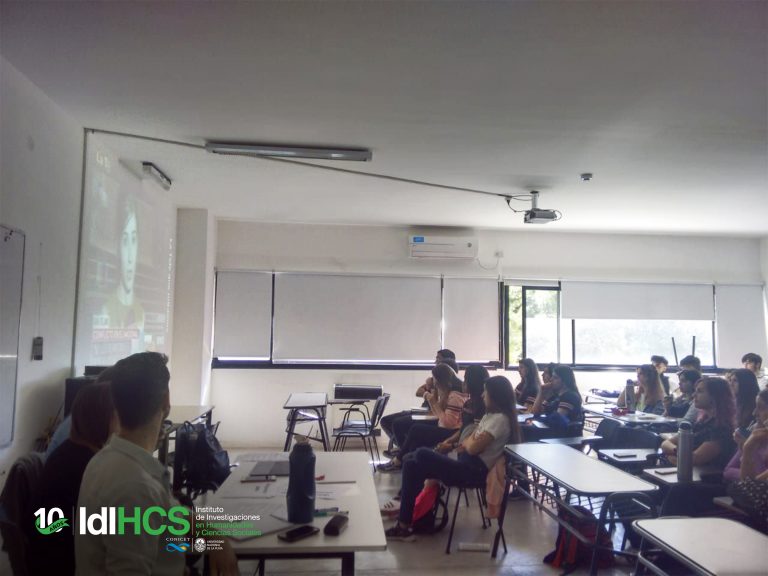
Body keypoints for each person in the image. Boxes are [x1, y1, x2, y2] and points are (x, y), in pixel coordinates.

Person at [75, 352, 237, 575]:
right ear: (166, 402)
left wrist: (213, 537)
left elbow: (170, 513)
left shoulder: (105, 460)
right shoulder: (136, 488)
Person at [384, 375, 520, 541]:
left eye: (486, 392)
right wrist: (467, 442)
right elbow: (469, 440)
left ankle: (410, 519)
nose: (483, 395)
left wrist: (468, 442)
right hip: (465, 462)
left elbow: (473, 447)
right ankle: (406, 524)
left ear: (496, 395)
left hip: (474, 471)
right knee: (410, 463)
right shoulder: (489, 416)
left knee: (421, 453)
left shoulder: (500, 420)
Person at [32, 379, 117, 576]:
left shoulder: (72, 450)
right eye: (119, 415)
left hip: (50, 554)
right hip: (61, 562)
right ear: (104, 419)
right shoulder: (87, 465)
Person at [377, 364, 467, 472]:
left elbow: (447, 423)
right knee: (412, 430)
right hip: (448, 426)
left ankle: (399, 460)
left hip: (452, 431)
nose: (433, 382)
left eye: (434, 378)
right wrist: (432, 397)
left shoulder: (455, 396)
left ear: (440, 379)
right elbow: (438, 414)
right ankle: (404, 459)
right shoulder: (449, 391)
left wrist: (432, 400)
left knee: (416, 429)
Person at [380, 350, 459, 454]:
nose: (435, 362)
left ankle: (403, 451)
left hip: (433, 416)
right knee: (388, 421)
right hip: (426, 411)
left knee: (399, 424)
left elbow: (440, 412)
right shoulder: (436, 380)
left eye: (438, 359)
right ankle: (403, 448)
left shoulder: (451, 390)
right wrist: (430, 392)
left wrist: (432, 392)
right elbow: (418, 392)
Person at [660, 377, 736, 469]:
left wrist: (672, 457)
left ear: (715, 396)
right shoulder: (701, 422)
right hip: (689, 471)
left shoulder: (722, 428)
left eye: (699, 391)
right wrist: (678, 452)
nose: (693, 395)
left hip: (705, 476)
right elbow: (665, 444)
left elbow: (695, 459)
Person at [101, 196, 145, 331]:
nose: (131, 257)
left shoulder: (141, 312)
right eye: (125, 241)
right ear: (117, 247)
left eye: (134, 240)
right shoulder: (106, 310)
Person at [524, 365, 582, 440]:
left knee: (523, 432)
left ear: (564, 380)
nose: (551, 379)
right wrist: (541, 392)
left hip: (563, 437)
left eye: (555, 377)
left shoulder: (570, 397)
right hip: (550, 432)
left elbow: (557, 420)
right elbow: (535, 412)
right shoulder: (555, 396)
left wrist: (539, 419)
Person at [724, 388, 768, 482]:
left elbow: (753, 484)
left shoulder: (755, 438)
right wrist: (746, 447)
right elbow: (728, 471)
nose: (754, 413)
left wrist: (748, 448)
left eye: (761, 407)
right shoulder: (757, 436)